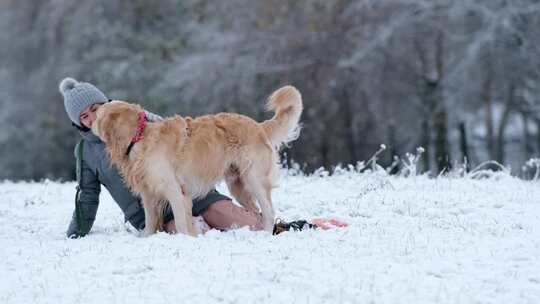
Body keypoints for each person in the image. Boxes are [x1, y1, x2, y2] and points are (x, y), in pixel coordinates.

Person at [60, 77, 313, 238]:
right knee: (194, 231)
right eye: (85, 116)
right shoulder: (86, 153)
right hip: (154, 218)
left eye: (96, 109)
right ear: (79, 124)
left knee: (242, 224)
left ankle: (283, 228)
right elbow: (87, 195)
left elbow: (184, 136)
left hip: (199, 195)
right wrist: (74, 233)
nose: (93, 118)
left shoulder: (145, 124)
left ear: (109, 107)